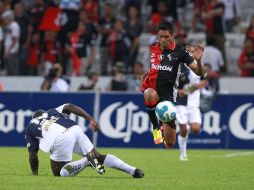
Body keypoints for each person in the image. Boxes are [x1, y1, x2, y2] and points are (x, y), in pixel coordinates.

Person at [25, 103, 144, 178]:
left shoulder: (30, 126)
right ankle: (133, 171)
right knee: (97, 156)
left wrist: (35, 174)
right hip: (74, 128)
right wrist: (90, 119)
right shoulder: (51, 112)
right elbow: (69, 106)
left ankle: (87, 160)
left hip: (60, 137)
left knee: (59, 172)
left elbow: (33, 155)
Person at [141, 21, 205, 148]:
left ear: (172, 36)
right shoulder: (153, 47)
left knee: (169, 143)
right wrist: (147, 74)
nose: (163, 40)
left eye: (166, 37)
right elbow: (156, 66)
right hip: (153, 90)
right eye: (160, 36)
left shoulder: (180, 53)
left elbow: (199, 73)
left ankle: (164, 130)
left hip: (168, 97)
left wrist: (198, 60)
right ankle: (156, 128)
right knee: (149, 94)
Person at [176, 63, 207, 161]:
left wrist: (190, 89)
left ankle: (185, 129)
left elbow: (204, 81)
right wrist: (179, 91)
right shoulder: (179, 67)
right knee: (183, 130)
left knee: (196, 129)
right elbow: (172, 85)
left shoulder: (199, 67)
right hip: (181, 103)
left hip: (194, 104)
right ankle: (183, 154)